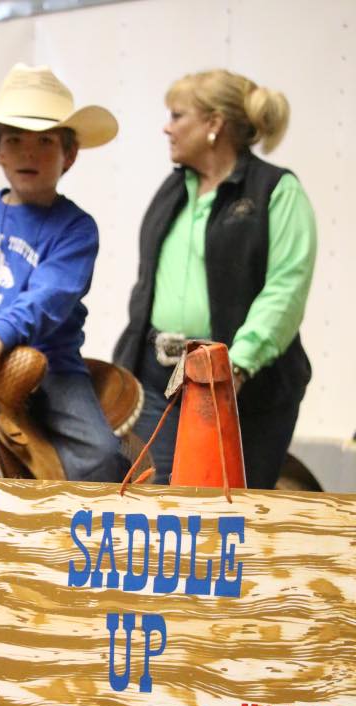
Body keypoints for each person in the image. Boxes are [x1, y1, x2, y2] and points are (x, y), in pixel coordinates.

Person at [0, 62, 130, 484]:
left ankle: (79, 545)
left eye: (45, 141)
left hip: (48, 367)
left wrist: (0, 332)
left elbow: (50, 297)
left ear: (69, 155)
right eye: (13, 140)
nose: (27, 153)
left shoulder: (75, 226)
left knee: (101, 457)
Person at [114, 68, 317, 489]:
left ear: (213, 124)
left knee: (231, 509)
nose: (166, 127)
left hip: (245, 385)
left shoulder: (275, 190)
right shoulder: (173, 189)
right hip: (159, 379)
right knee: (162, 499)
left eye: (177, 115)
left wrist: (236, 367)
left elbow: (286, 289)